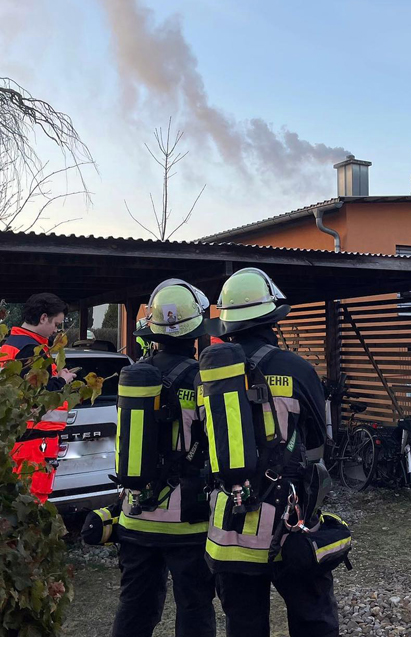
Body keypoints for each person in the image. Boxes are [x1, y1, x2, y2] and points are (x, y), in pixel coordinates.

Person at [202, 268, 335, 637]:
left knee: (244, 629)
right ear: (272, 317)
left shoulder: (208, 378)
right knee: (314, 621)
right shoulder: (297, 369)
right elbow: (321, 441)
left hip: (229, 527)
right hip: (289, 522)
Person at [112, 279, 216, 637]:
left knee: (134, 609)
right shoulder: (203, 379)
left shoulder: (135, 377)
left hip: (135, 517)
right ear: (195, 330)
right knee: (195, 607)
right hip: (187, 521)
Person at [1, 293, 78, 503]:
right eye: (56, 324)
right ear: (43, 317)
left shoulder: (13, 344)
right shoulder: (30, 350)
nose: (56, 330)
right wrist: (62, 380)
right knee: (32, 502)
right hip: (33, 443)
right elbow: (40, 394)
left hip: (20, 440)